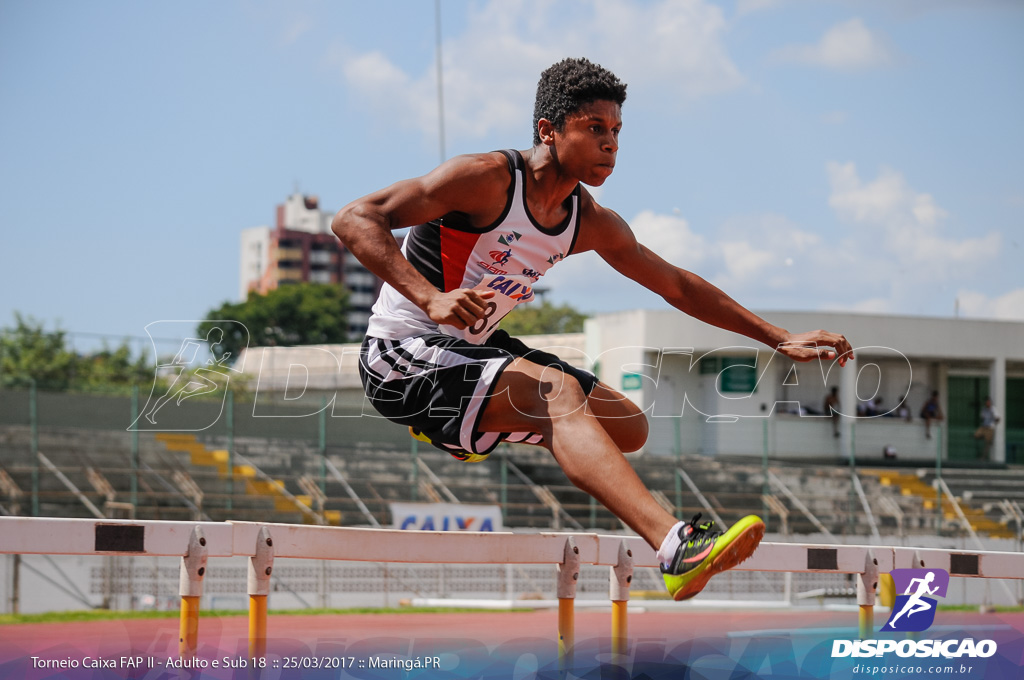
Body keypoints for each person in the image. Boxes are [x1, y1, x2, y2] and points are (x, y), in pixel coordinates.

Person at [332, 57, 853, 601]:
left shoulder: (589, 221)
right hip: (401, 352)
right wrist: (431, 297)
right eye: (596, 129)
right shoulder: (484, 180)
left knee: (627, 426)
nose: (612, 145)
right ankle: (673, 545)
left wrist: (777, 337)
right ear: (549, 131)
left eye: (618, 132)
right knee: (555, 394)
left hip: (473, 349)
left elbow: (676, 285)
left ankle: (465, 429)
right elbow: (353, 218)